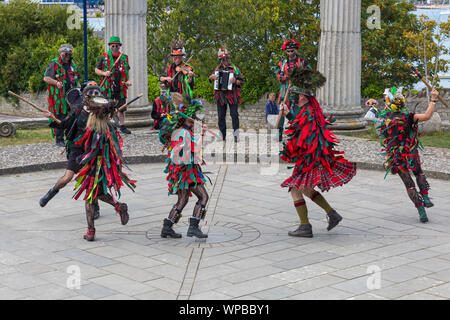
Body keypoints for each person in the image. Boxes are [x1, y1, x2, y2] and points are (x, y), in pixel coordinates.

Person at [279, 66, 357, 238]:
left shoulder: (308, 112)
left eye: (296, 96)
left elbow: (302, 135)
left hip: (309, 158)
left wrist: (288, 115)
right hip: (310, 158)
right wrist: (288, 114)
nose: (294, 98)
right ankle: (332, 214)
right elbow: (300, 127)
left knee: (295, 189)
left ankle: (305, 226)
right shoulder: (309, 111)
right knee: (304, 189)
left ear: (302, 97)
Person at [71, 83, 136, 241]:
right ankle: (118, 206)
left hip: (94, 168)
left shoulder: (95, 131)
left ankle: (90, 231)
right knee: (99, 194)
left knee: (89, 198)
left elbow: (93, 152)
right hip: (105, 169)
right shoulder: (108, 127)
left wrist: (80, 159)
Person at [375, 87, 439, 223]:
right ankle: (426, 197)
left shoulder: (384, 118)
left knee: (409, 184)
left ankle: (421, 211)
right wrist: (433, 99)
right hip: (410, 152)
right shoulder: (410, 117)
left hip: (396, 156)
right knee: (419, 173)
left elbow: (381, 133)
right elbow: (427, 116)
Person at [158, 93, 209, 239]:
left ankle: (167, 227)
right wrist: (203, 134)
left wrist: (198, 158)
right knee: (203, 196)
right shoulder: (184, 133)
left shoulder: (180, 131)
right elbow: (195, 149)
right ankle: (193, 227)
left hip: (181, 170)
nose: (195, 122)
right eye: (192, 119)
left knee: (183, 199)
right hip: (186, 172)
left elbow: (188, 152)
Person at [43, 44, 80, 147]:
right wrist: (56, 83)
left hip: (72, 95)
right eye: (65, 54)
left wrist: (78, 88)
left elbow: (77, 78)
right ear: (60, 53)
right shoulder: (53, 63)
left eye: (69, 54)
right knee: (60, 115)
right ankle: (59, 140)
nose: (67, 56)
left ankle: (70, 137)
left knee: (72, 115)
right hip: (59, 97)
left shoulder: (73, 64)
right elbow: (46, 78)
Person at [95, 36, 132, 134]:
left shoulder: (124, 57)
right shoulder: (104, 57)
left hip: (121, 87)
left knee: (122, 108)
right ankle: (107, 126)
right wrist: (104, 73)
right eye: (113, 46)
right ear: (110, 46)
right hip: (108, 86)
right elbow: (96, 70)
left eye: (117, 46)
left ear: (119, 46)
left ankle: (122, 126)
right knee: (107, 107)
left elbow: (127, 72)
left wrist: (128, 81)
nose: (115, 47)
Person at [208, 48, 244, 142]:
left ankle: (236, 136)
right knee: (221, 116)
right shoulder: (217, 69)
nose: (225, 60)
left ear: (228, 58)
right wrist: (211, 78)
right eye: (223, 59)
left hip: (232, 95)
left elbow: (242, 81)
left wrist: (236, 81)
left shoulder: (235, 69)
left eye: (226, 58)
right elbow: (212, 78)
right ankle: (222, 136)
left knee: (234, 115)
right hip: (220, 96)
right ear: (220, 60)